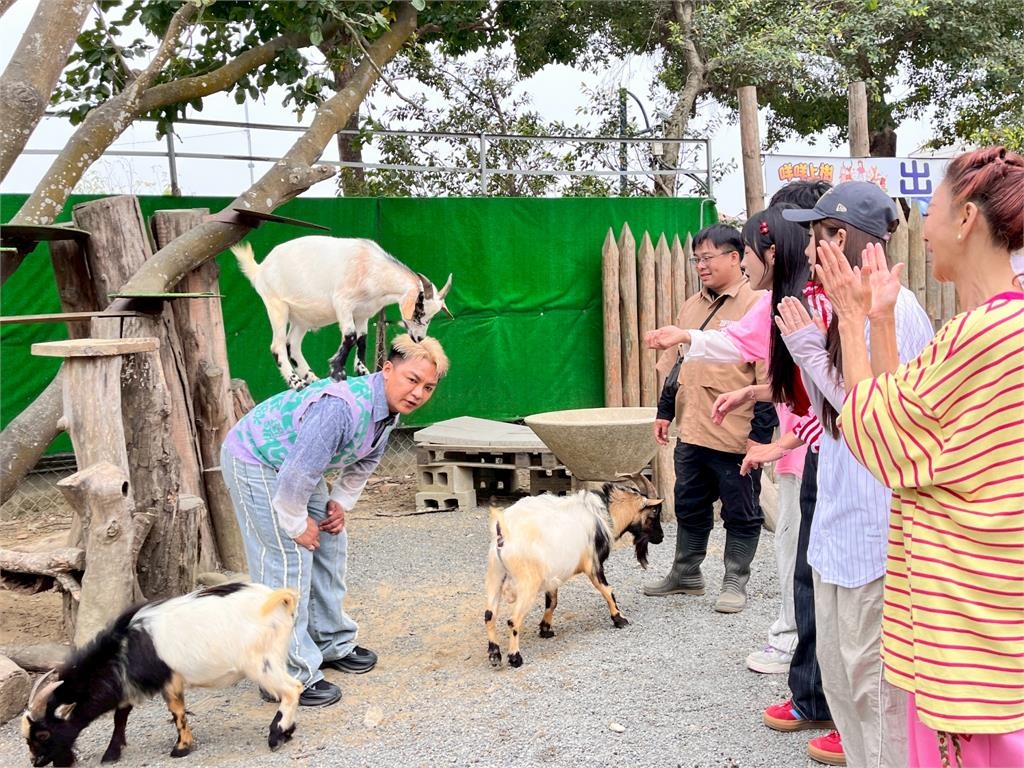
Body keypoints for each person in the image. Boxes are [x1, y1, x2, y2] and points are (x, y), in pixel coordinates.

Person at [816, 147, 1024, 767]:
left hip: (968, 620)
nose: (922, 230)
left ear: (965, 218)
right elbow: (903, 409)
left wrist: (851, 321)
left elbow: (879, 434)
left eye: (929, 210)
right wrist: (879, 324)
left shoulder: (983, 335)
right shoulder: (997, 325)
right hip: (988, 606)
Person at [770, 181, 934, 766]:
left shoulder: (897, 312)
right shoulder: (844, 310)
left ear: (841, 238)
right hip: (838, 521)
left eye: (817, 237)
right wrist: (810, 349)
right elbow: (833, 417)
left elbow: (881, 417)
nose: (809, 250)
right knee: (841, 680)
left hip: (877, 532)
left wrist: (810, 351)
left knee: (877, 689)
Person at [220, 334, 449, 707]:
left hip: (295, 465)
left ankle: (330, 641)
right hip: (257, 459)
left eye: (428, 387)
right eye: (412, 380)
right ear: (387, 369)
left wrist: (340, 502)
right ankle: (281, 672)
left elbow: (366, 460)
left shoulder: (387, 408)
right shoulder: (340, 408)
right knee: (286, 559)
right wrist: (295, 523)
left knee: (330, 540)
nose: (418, 393)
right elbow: (295, 476)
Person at [643, 224, 774, 613]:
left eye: (708, 258)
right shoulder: (691, 305)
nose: (701, 265)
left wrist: (760, 437)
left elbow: (767, 378)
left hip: (735, 431)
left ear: (735, 258)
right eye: (697, 259)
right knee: (689, 501)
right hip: (693, 426)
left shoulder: (757, 304)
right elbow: (679, 365)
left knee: (741, 509)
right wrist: (665, 411)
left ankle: (735, 579)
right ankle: (686, 573)